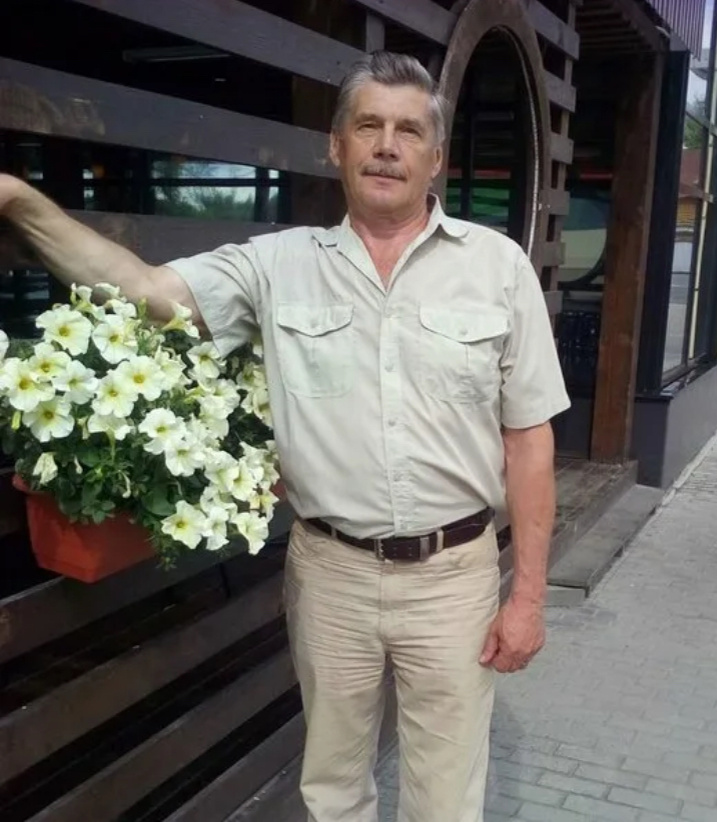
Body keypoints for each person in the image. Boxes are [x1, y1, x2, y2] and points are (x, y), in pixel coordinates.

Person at [0, 52, 570, 822]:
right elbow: (144, 292)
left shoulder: (497, 268)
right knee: (333, 791)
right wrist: (17, 200)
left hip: (453, 579)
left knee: (445, 802)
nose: (386, 146)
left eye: (408, 131)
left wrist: (527, 597)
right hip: (330, 575)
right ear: (336, 146)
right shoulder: (276, 267)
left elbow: (529, 440)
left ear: (435, 158)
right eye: (367, 126)